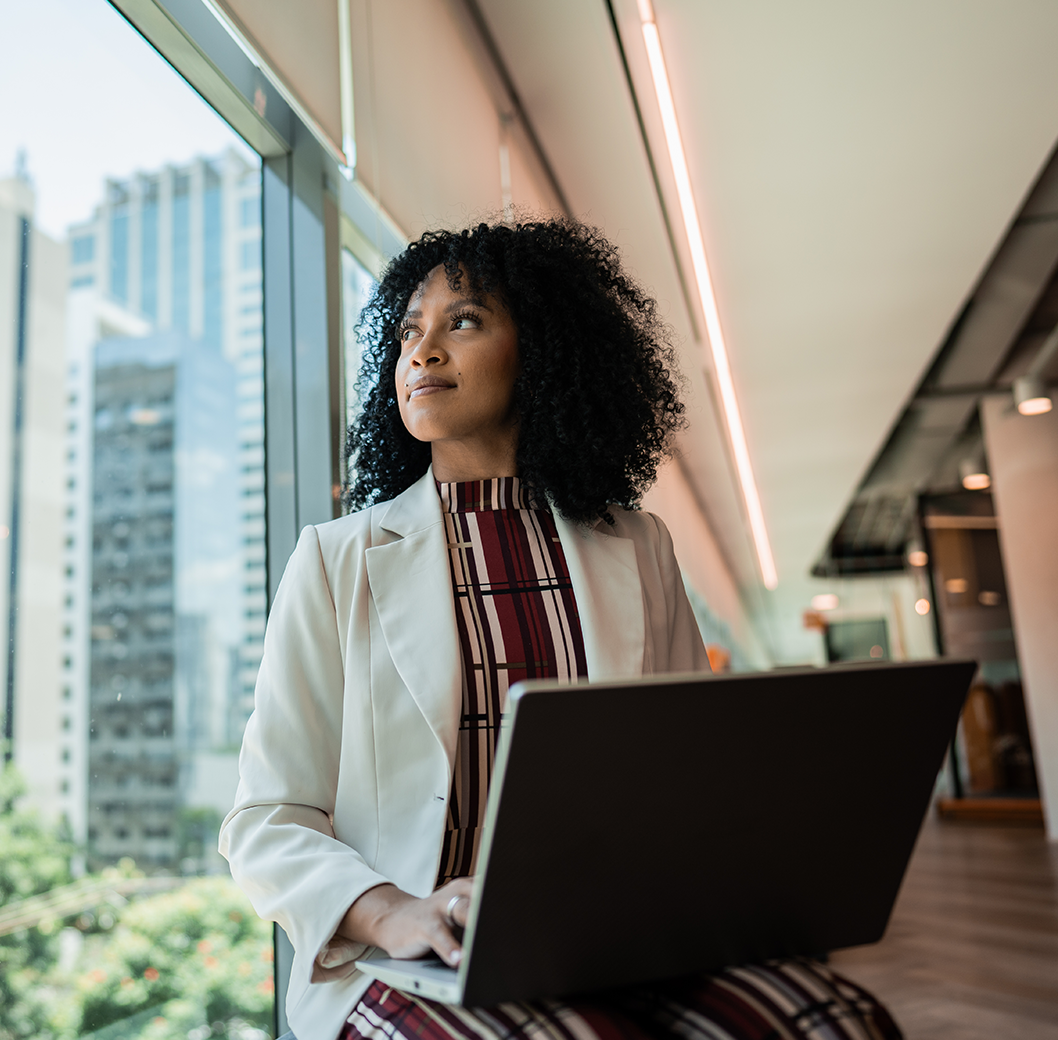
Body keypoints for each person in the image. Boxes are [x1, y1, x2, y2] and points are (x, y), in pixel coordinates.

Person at [220, 220, 901, 1040]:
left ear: (541, 351)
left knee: (837, 1020)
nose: (422, 351)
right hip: (415, 959)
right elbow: (266, 820)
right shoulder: (336, 561)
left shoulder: (638, 544)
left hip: (622, 931)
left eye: (462, 321)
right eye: (409, 331)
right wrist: (390, 910)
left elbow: (689, 775)